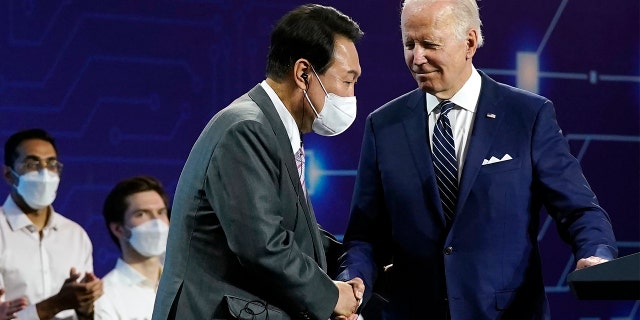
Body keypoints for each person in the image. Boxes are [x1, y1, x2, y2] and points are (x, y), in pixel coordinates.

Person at [336, 0, 618, 319]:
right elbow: (364, 235)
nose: (416, 58)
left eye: (429, 44)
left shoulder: (527, 116)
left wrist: (596, 255)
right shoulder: (383, 125)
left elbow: (579, 210)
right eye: (409, 44)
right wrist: (353, 281)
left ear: (469, 42)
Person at [152, 4, 365, 320]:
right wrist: (332, 296)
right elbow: (263, 246)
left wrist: (356, 261)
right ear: (304, 74)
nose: (351, 94)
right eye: (347, 81)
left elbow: (290, 231)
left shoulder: (276, 129)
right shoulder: (247, 129)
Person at [0, 128, 103, 320]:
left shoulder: (75, 235)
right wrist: (58, 303)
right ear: (8, 174)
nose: (44, 173)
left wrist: (85, 306)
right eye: (32, 164)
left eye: (51, 164)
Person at [94, 176, 170, 319]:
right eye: (141, 214)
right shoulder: (105, 297)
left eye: (161, 212)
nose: (156, 223)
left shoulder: (184, 285)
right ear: (118, 229)